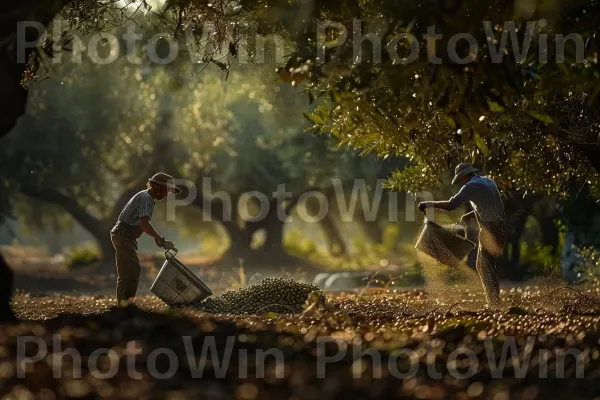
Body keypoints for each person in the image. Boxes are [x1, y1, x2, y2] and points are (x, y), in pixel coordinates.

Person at [418, 163, 506, 307]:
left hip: (490, 228)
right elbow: (490, 205)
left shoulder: (470, 186)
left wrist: (427, 204)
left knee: (484, 266)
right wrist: (470, 215)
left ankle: (494, 304)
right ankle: (495, 302)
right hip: (500, 227)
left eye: (461, 180)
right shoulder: (488, 181)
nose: (461, 183)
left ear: (464, 176)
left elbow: (451, 205)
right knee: (486, 265)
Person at [111, 172, 180, 305]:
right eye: (166, 190)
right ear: (157, 187)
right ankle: (124, 306)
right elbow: (144, 224)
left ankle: (125, 304)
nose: (167, 195)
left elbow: (143, 225)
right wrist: (161, 239)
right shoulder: (146, 198)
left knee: (130, 271)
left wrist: (159, 240)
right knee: (131, 271)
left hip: (126, 236)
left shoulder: (146, 197)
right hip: (124, 236)